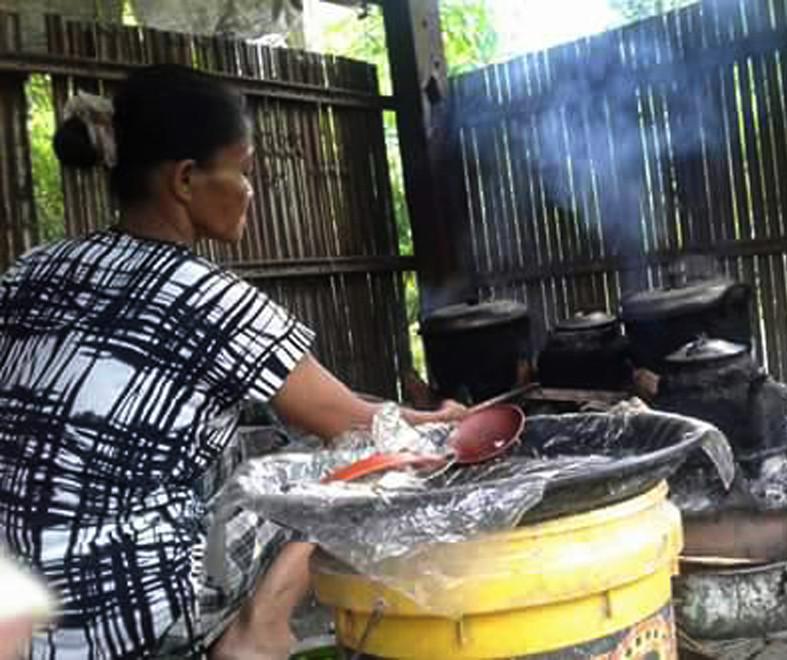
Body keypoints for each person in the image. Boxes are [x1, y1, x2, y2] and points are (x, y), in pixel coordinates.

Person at [0, 64, 463, 659]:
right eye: (242, 170)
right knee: (345, 469)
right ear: (187, 179)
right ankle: (254, 635)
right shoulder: (208, 298)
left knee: (254, 442)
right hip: (118, 611)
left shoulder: (31, 269)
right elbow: (360, 427)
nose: (251, 189)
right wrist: (444, 424)